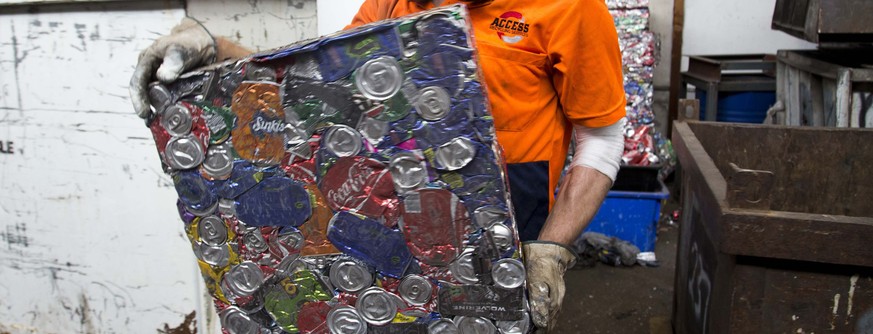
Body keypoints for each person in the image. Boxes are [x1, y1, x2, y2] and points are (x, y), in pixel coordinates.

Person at [130, 0, 626, 331]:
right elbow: (321, 82)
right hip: (397, 221)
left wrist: (551, 251)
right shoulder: (398, 2)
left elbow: (601, 141)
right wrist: (217, 49)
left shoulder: (571, 7)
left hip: (510, 228)